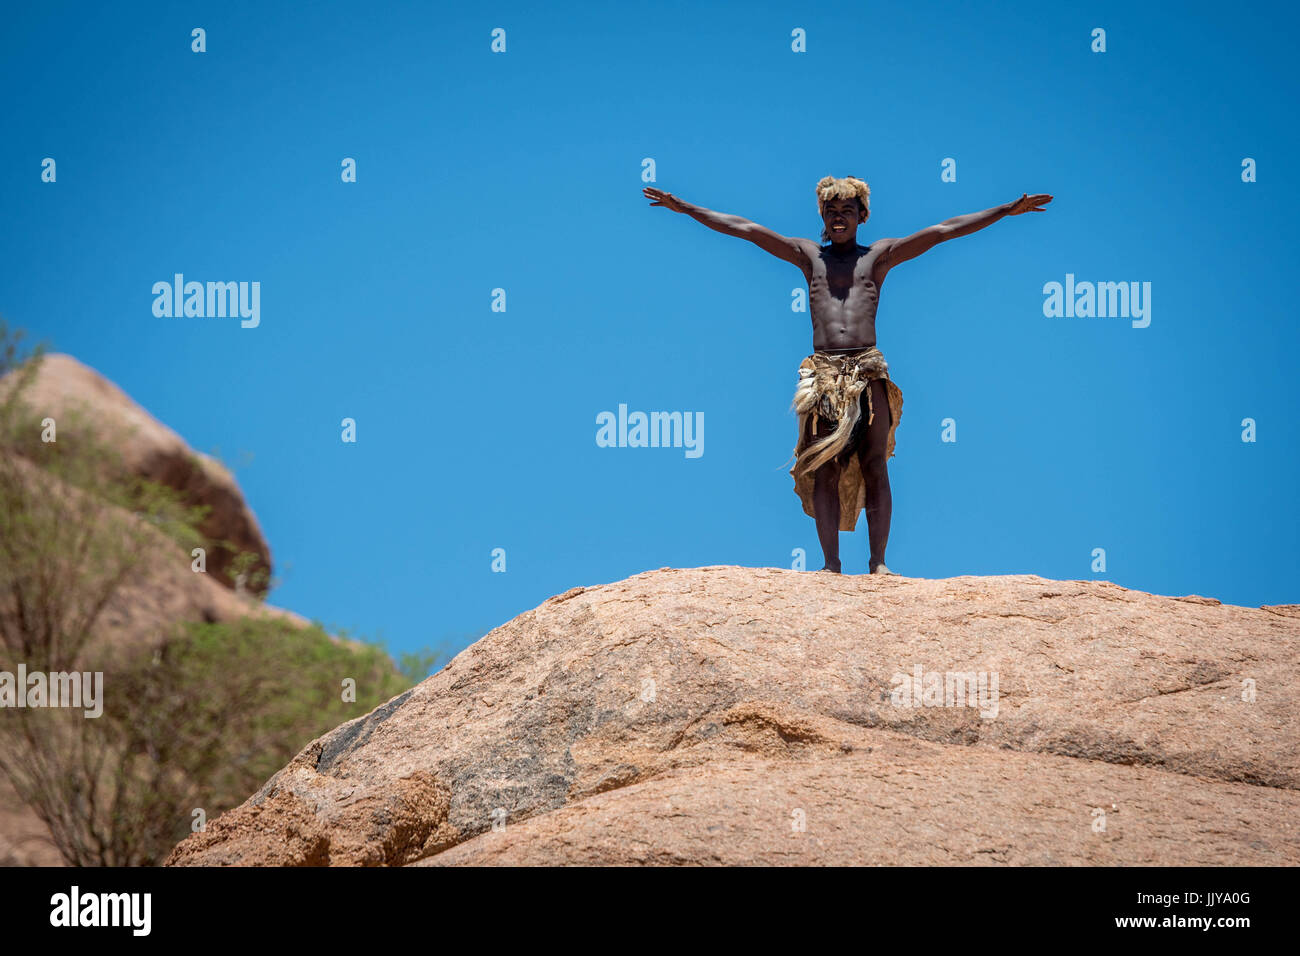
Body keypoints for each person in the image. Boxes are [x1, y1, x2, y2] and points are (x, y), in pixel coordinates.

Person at [645, 176, 1052, 573]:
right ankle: (831, 565)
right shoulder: (809, 257)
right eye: (831, 211)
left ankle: (878, 564)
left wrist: (1005, 210)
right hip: (823, 373)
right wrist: (684, 207)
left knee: (875, 462)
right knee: (825, 464)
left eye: (848, 211)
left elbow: (943, 231)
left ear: (863, 216)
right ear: (822, 216)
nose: (839, 217)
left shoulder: (878, 257)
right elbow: (748, 230)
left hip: (867, 369)